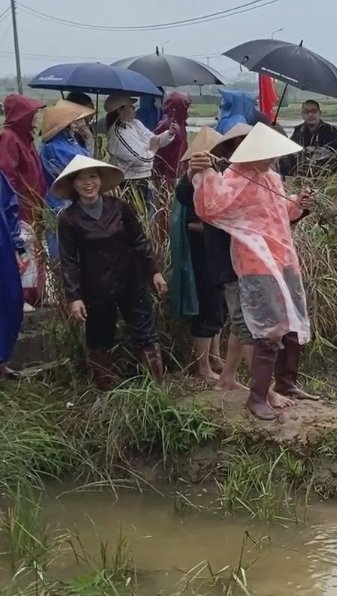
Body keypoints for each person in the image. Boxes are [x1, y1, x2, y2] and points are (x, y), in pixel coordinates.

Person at [190, 125, 316, 420]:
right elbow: (210, 208)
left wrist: (299, 204)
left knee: (284, 321)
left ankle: (281, 384)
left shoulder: (270, 177)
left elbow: (277, 214)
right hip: (253, 261)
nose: (272, 160)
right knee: (265, 328)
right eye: (268, 154)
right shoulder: (234, 177)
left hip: (281, 257)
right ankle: (259, 395)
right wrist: (200, 173)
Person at [53, 155, 166, 387]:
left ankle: (156, 390)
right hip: (96, 287)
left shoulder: (119, 208)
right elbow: (69, 260)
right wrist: (74, 297)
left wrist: (153, 271)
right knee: (99, 339)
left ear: (101, 180)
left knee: (145, 333)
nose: (88, 183)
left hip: (130, 279)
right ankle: (107, 393)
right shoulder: (69, 219)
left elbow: (139, 241)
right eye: (81, 179)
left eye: (92, 176)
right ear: (73, 185)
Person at [171, 126, 240, 383]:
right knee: (207, 309)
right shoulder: (193, 181)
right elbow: (191, 218)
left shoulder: (222, 176)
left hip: (219, 254)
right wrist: (216, 223)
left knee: (220, 309)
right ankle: (203, 368)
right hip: (201, 256)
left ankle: (216, 356)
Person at [104, 95, 177, 211]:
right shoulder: (118, 135)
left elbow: (153, 139)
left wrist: (169, 134)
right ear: (120, 111)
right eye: (131, 106)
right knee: (135, 214)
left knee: (146, 211)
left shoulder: (135, 124)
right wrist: (152, 151)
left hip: (144, 177)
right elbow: (139, 158)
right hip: (130, 182)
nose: (134, 108)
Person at [0, 94, 49, 223]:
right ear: (22, 115)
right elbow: (7, 177)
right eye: (33, 114)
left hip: (33, 206)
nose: (37, 118)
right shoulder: (8, 139)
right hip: (21, 211)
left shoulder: (26, 138)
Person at [0, 174, 26, 378]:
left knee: (10, 298)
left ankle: (2, 358)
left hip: (3, 247)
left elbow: (10, 208)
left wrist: (17, 246)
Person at [286, 99, 337, 177]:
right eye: (306, 112)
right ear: (302, 115)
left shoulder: (330, 130)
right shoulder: (298, 131)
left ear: (319, 113)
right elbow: (290, 152)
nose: (310, 114)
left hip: (327, 176)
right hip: (302, 177)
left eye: (314, 111)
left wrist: (315, 151)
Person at [152, 91, 191, 184]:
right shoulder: (166, 125)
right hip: (165, 176)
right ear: (179, 108)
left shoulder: (180, 124)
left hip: (176, 172)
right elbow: (155, 145)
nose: (190, 111)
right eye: (187, 108)